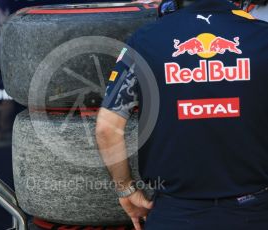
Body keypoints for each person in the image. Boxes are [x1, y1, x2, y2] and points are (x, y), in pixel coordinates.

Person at [95, 0, 268, 229]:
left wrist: (126, 189)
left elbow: (107, 129)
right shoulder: (262, 36)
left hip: (174, 212)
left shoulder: (145, 40)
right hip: (255, 209)